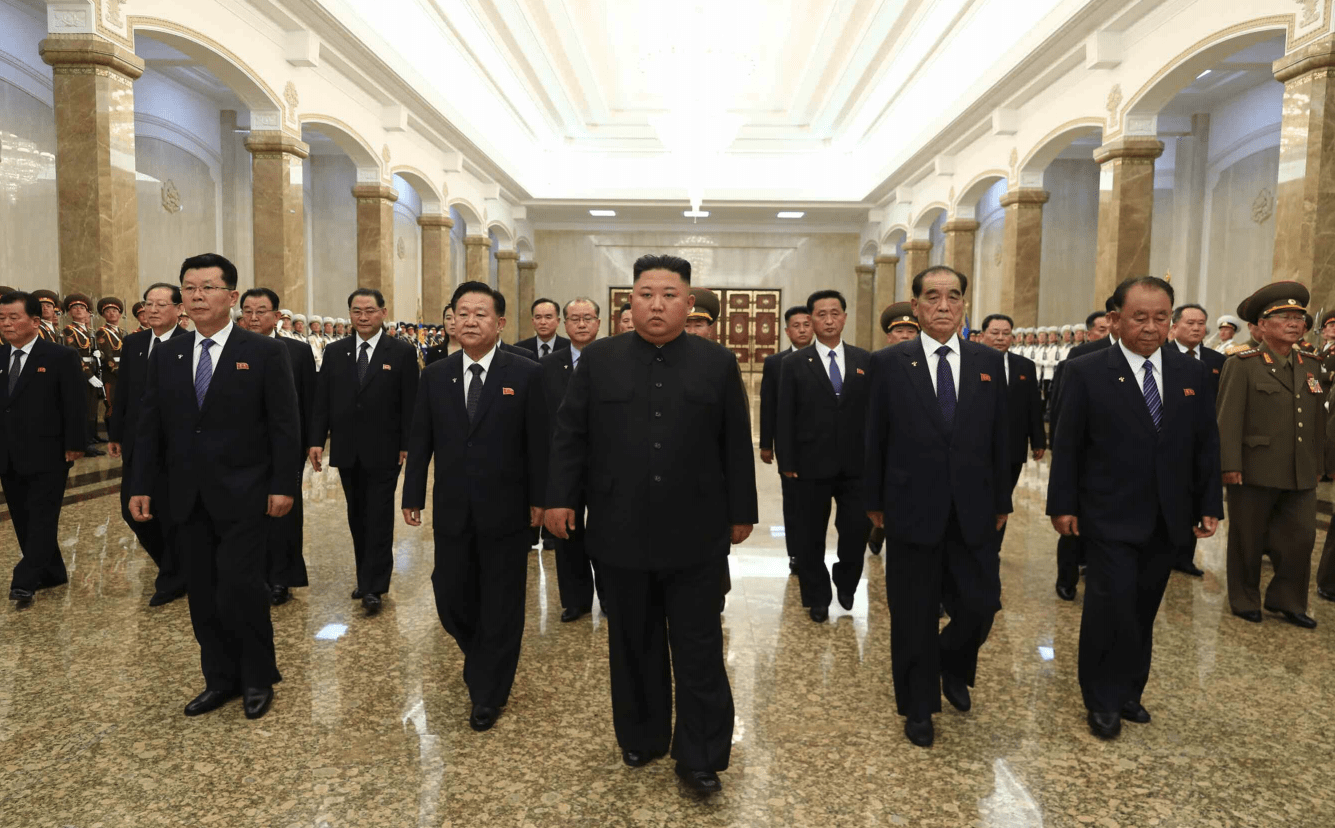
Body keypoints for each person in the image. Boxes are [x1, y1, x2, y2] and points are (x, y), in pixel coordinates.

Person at [546, 254, 757, 795]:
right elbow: (571, 435)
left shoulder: (716, 363)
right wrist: (559, 499)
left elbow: (735, 441)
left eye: (669, 294)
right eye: (645, 293)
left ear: (689, 303)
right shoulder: (598, 361)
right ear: (630, 302)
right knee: (632, 640)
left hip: (697, 530)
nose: (657, 303)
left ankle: (702, 755)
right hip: (620, 527)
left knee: (699, 644)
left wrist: (742, 511)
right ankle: (641, 736)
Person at [1048, 276, 1222, 740]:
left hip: (1168, 515)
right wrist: (1062, 504)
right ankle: (1101, 698)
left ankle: (1129, 691)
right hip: (1107, 513)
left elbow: (1206, 443)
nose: (1150, 327)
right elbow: (1068, 445)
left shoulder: (1193, 374)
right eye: (1139, 317)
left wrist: (1209, 503)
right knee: (1109, 605)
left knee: (1144, 607)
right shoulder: (1087, 370)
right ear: (1115, 320)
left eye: (1160, 317)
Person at [128, 253, 300, 721]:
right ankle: (219, 679)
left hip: (246, 494)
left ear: (231, 296)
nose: (197, 295)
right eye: (190, 287)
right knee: (202, 593)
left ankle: (258, 677)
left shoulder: (263, 352)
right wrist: (141, 483)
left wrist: (284, 485)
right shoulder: (168, 353)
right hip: (185, 495)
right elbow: (150, 426)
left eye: (208, 287)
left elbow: (285, 425)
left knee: (240, 589)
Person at [863, 265, 1010, 749]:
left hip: (973, 507)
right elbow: (872, 437)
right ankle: (918, 704)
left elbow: (999, 441)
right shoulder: (888, 364)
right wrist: (874, 500)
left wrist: (1001, 499)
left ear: (964, 304)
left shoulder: (988, 362)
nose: (942, 305)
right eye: (932, 297)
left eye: (952, 296)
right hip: (909, 504)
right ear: (916, 306)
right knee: (913, 612)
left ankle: (951, 661)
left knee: (980, 604)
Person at [402, 281, 547, 732]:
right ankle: (482, 652)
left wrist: (542, 500)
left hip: (507, 510)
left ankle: (488, 691)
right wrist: (411, 496)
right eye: (462, 312)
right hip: (452, 509)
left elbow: (540, 445)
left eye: (480, 313)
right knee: (451, 596)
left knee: (502, 602)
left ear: (500, 322)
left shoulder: (525, 374)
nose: (469, 320)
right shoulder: (435, 375)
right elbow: (420, 440)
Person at [1216, 282, 1335, 629]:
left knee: (1300, 540)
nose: (1294, 323)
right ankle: (1244, 598)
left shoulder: (1311, 363)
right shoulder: (1243, 364)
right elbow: (1227, 420)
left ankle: (1288, 600)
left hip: (1300, 469)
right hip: (1254, 467)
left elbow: (1317, 419)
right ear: (1262, 325)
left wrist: (1319, 465)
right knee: (1247, 539)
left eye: (1298, 317)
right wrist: (1229, 466)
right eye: (1284, 317)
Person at [309, 288, 420, 615]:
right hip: (345, 448)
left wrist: (406, 444)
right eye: (356, 310)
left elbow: (410, 403)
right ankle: (364, 576)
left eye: (370, 310)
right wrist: (316, 439)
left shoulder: (400, 352)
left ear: (383, 312)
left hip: (385, 449)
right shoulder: (335, 351)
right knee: (357, 515)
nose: (363, 316)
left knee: (379, 516)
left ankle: (375, 586)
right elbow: (321, 402)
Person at [777, 289, 872, 622]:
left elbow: (875, 415)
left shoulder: (865, 361)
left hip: (856, 466)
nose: (829, 320)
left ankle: (846, 580)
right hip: (809, 465)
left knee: (856, 530)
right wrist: (786, 462)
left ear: (845, 317)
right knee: (809, 535)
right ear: (812, 320)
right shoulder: (794, 364)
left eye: (835, 313)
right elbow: (784, 415)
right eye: (821, 314)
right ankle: (816, 595)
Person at [0, 291, 86, 608]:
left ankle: (25, 579)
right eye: (1, 318)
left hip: (49, 453)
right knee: (22, 518)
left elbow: (74, 404)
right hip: (8, 455)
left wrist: (75, 444)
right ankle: (53, 572)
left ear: (35, 321)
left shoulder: (59, 357)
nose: (6, 324)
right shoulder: (0, 357)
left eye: (13, 317)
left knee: (41, 518)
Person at [108, 283, 191, 606]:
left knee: (169, 512)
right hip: (136, 442)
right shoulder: (134, 343)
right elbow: (123, 392)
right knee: (132, 511)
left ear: (178, 309)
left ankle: (173, 575)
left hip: (175, 445)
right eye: (148, 304)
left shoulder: (190, 343)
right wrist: (115, 434)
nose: (152, 310)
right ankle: (174, 567)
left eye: (160, 304)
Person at [238, 288, 316, 607]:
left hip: (285, 445)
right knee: (248, 515)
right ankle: (253, 574)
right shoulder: (232, 350)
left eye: (262, 311)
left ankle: (282, 577)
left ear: (276, 315)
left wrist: (312, 442)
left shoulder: (297, 351)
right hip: (242, 449)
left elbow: (309, 402)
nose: (254, 317)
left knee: (284, 514)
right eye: (248, 311)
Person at [538, 297, 605, 621]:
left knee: (608, 534)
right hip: (564, 465)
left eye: (588, 318)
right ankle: (575, 600)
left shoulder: (614, 360)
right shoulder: (548, 365)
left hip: (608, 465)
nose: (581, 324)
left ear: (598, 323)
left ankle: (610, 598)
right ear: (565, 324)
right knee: (567, 535)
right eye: (575, 318)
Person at [1048, 305, 1116, 600]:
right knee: (1074, 527)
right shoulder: (1082, 355)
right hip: (1087, 453)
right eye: (1100, 328)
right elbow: (1065, 407)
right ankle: (1067, 577)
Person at [1165, 303, 1226, 577]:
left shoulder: (1217, 361)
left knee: (1194, 498)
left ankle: (1184, 557)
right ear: (1174, 327)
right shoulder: (1161, 356)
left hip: (1202, 439)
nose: (1196, 327)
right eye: (1190, 323)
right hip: (1170, 440)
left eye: (1201, 323)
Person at [759, 305, 814, 572]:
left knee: (816, 503)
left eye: (806, 324)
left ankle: (812, 550)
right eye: (796, 325)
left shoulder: (829, 360)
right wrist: (766, 444)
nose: (802, 330)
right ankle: (795, 553)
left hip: (821, 445)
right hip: (788, 445)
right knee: (792, 501)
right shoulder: (775, 363)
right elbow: (768, 405)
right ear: (786, 331)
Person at [978, 313, 1045, 511]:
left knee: (1003, 501)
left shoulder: (1025, 366)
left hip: (1013, 445)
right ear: (983, 335)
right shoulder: (970, 363)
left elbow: (1033, 405)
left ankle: (995, 541)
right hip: (978, 446)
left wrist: (1038, 440)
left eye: (1006, 333)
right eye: (995, 332)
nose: (1000, 338)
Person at [60, 293, 105, 455]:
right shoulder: (67, 331)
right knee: (82, 409)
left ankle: (90, 438)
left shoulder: (89, 331)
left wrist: (97, 356)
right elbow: (73, 355)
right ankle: (83, 444)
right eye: (74, 308)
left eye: (82, 308)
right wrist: (89, 375)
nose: (78, 310)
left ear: (88, 313)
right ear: (69, 313)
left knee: (92, 408)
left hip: (92, 370)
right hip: (80, 374)